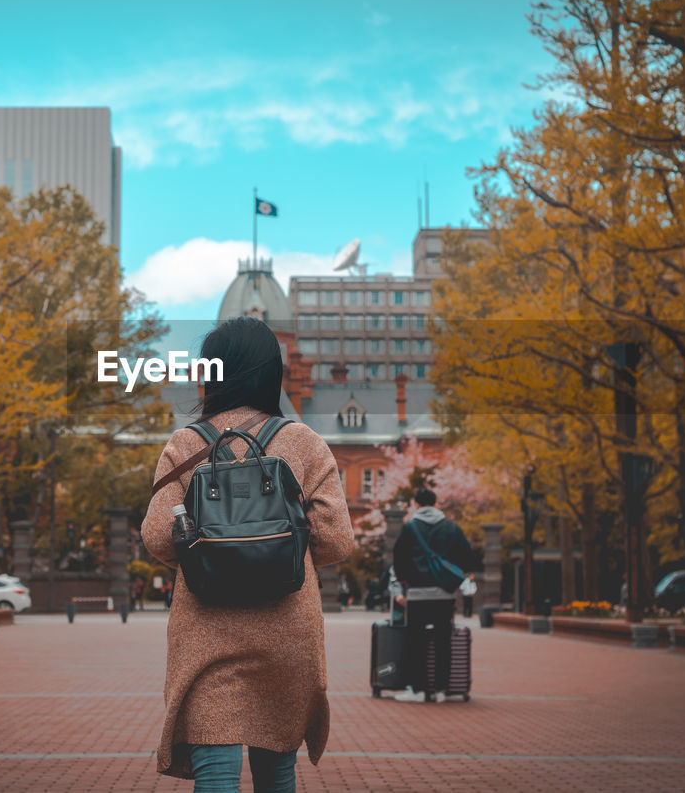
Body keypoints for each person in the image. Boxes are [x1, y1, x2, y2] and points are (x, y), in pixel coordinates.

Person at [141, 316, 355, 790]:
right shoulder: (303, 441)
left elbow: (158, 538)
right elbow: (337, 541)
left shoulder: (186, 444)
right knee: (277, 771)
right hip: (287, 630)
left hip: (206, 632)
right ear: (271, 373)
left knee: (215, 768)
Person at [391, 488, 477, 703]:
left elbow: (399, 558)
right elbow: (467, 557)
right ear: (436, 504)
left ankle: (418, 690)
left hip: (418, 594)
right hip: (444, 595)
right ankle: (440, 690)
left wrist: (404, 581)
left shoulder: (410, 527)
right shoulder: (451, 527)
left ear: (417, 504)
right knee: (442, 642)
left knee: (416, 643)